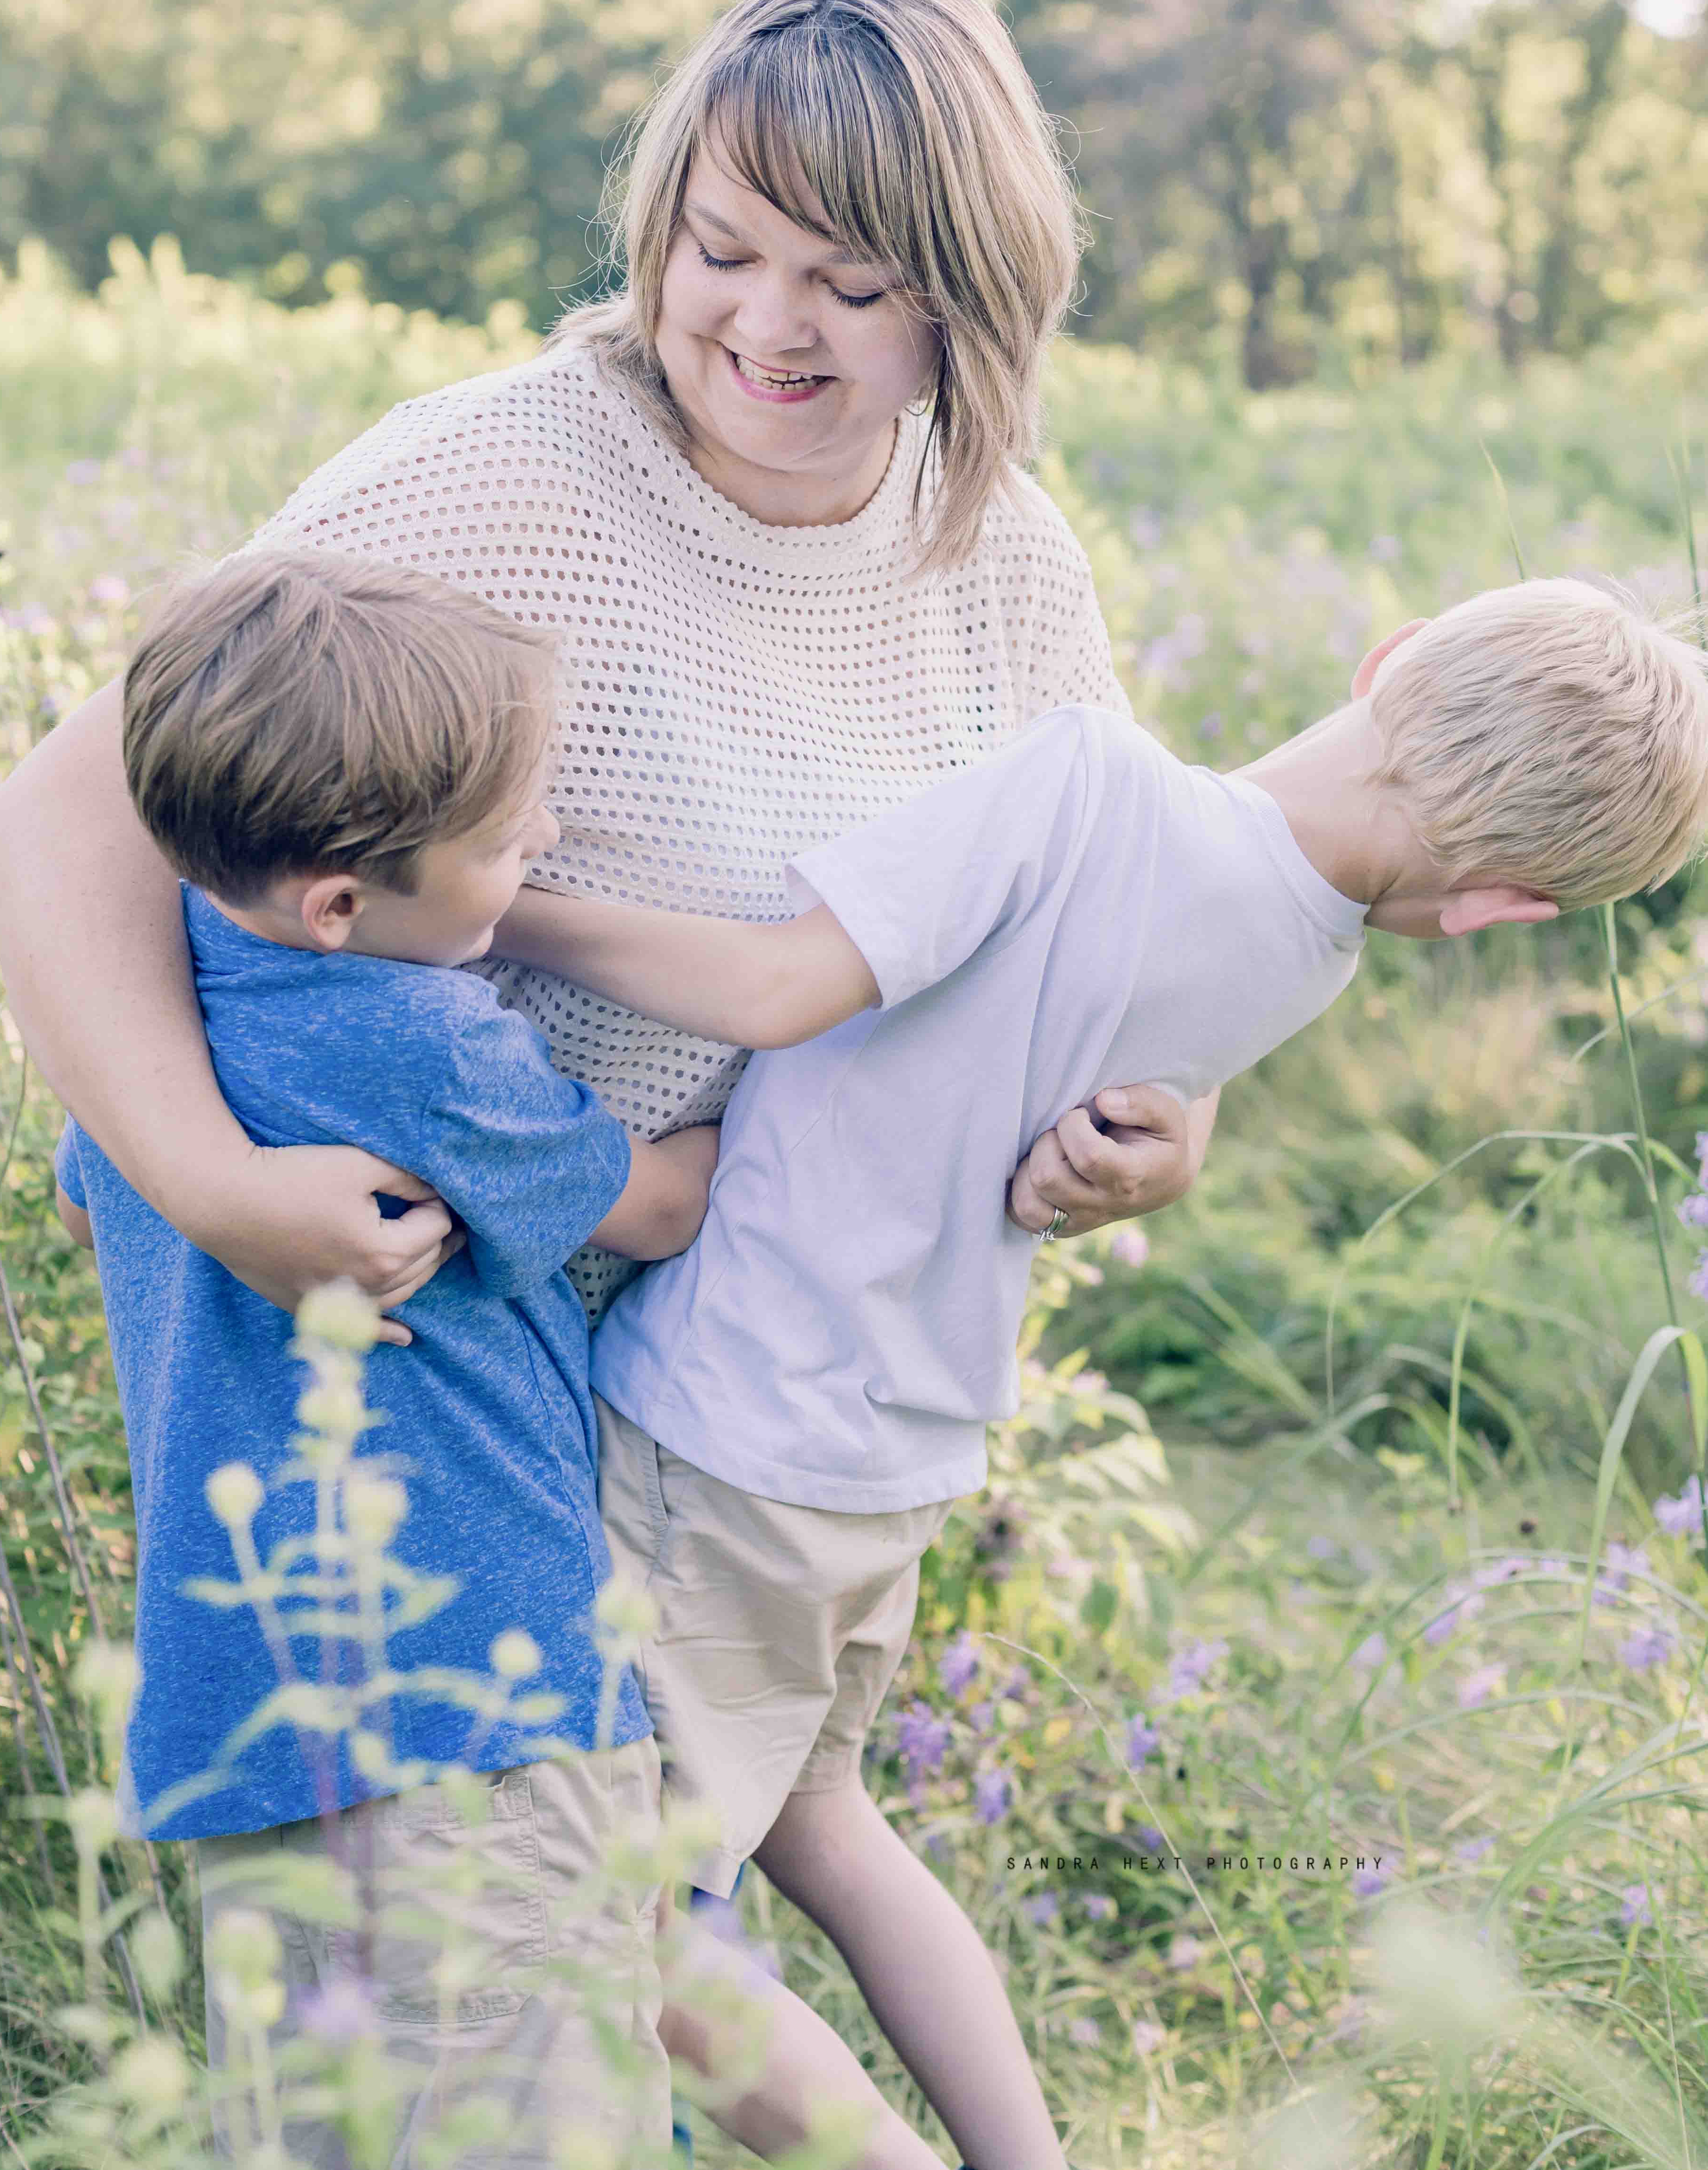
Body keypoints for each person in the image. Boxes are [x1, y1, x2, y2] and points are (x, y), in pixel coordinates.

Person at [0, 0, 1217, 2168]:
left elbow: (1097, 910)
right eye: (716, 251)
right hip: (459, 1365)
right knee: (529, 1966)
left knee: (634, 1947)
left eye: (846, 281)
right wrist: (204, 1178)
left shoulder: (994, 551)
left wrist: (1153, 1118)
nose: (760, 325)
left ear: (971, 297)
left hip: (750, 1380)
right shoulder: (506, 479)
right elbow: (73, 811)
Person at [492, 575, 1708, 2161]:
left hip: (735, 1423)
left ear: (1391, 654)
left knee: (621, 1926)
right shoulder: (1308, 955)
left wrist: (487, 899)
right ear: (1498, 908)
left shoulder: (1085, 779)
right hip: (907, 1451)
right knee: (827, 1822)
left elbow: (777, 985)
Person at [48, 548, 950, 2170]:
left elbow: (78, 1192)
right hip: (477, 1688)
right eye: (506, 837)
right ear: (344, 903)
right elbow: (659, 1203)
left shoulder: (160, 1012)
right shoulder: (431, 1043)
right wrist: (814, 1087)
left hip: (247, 1695)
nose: (540, 846)